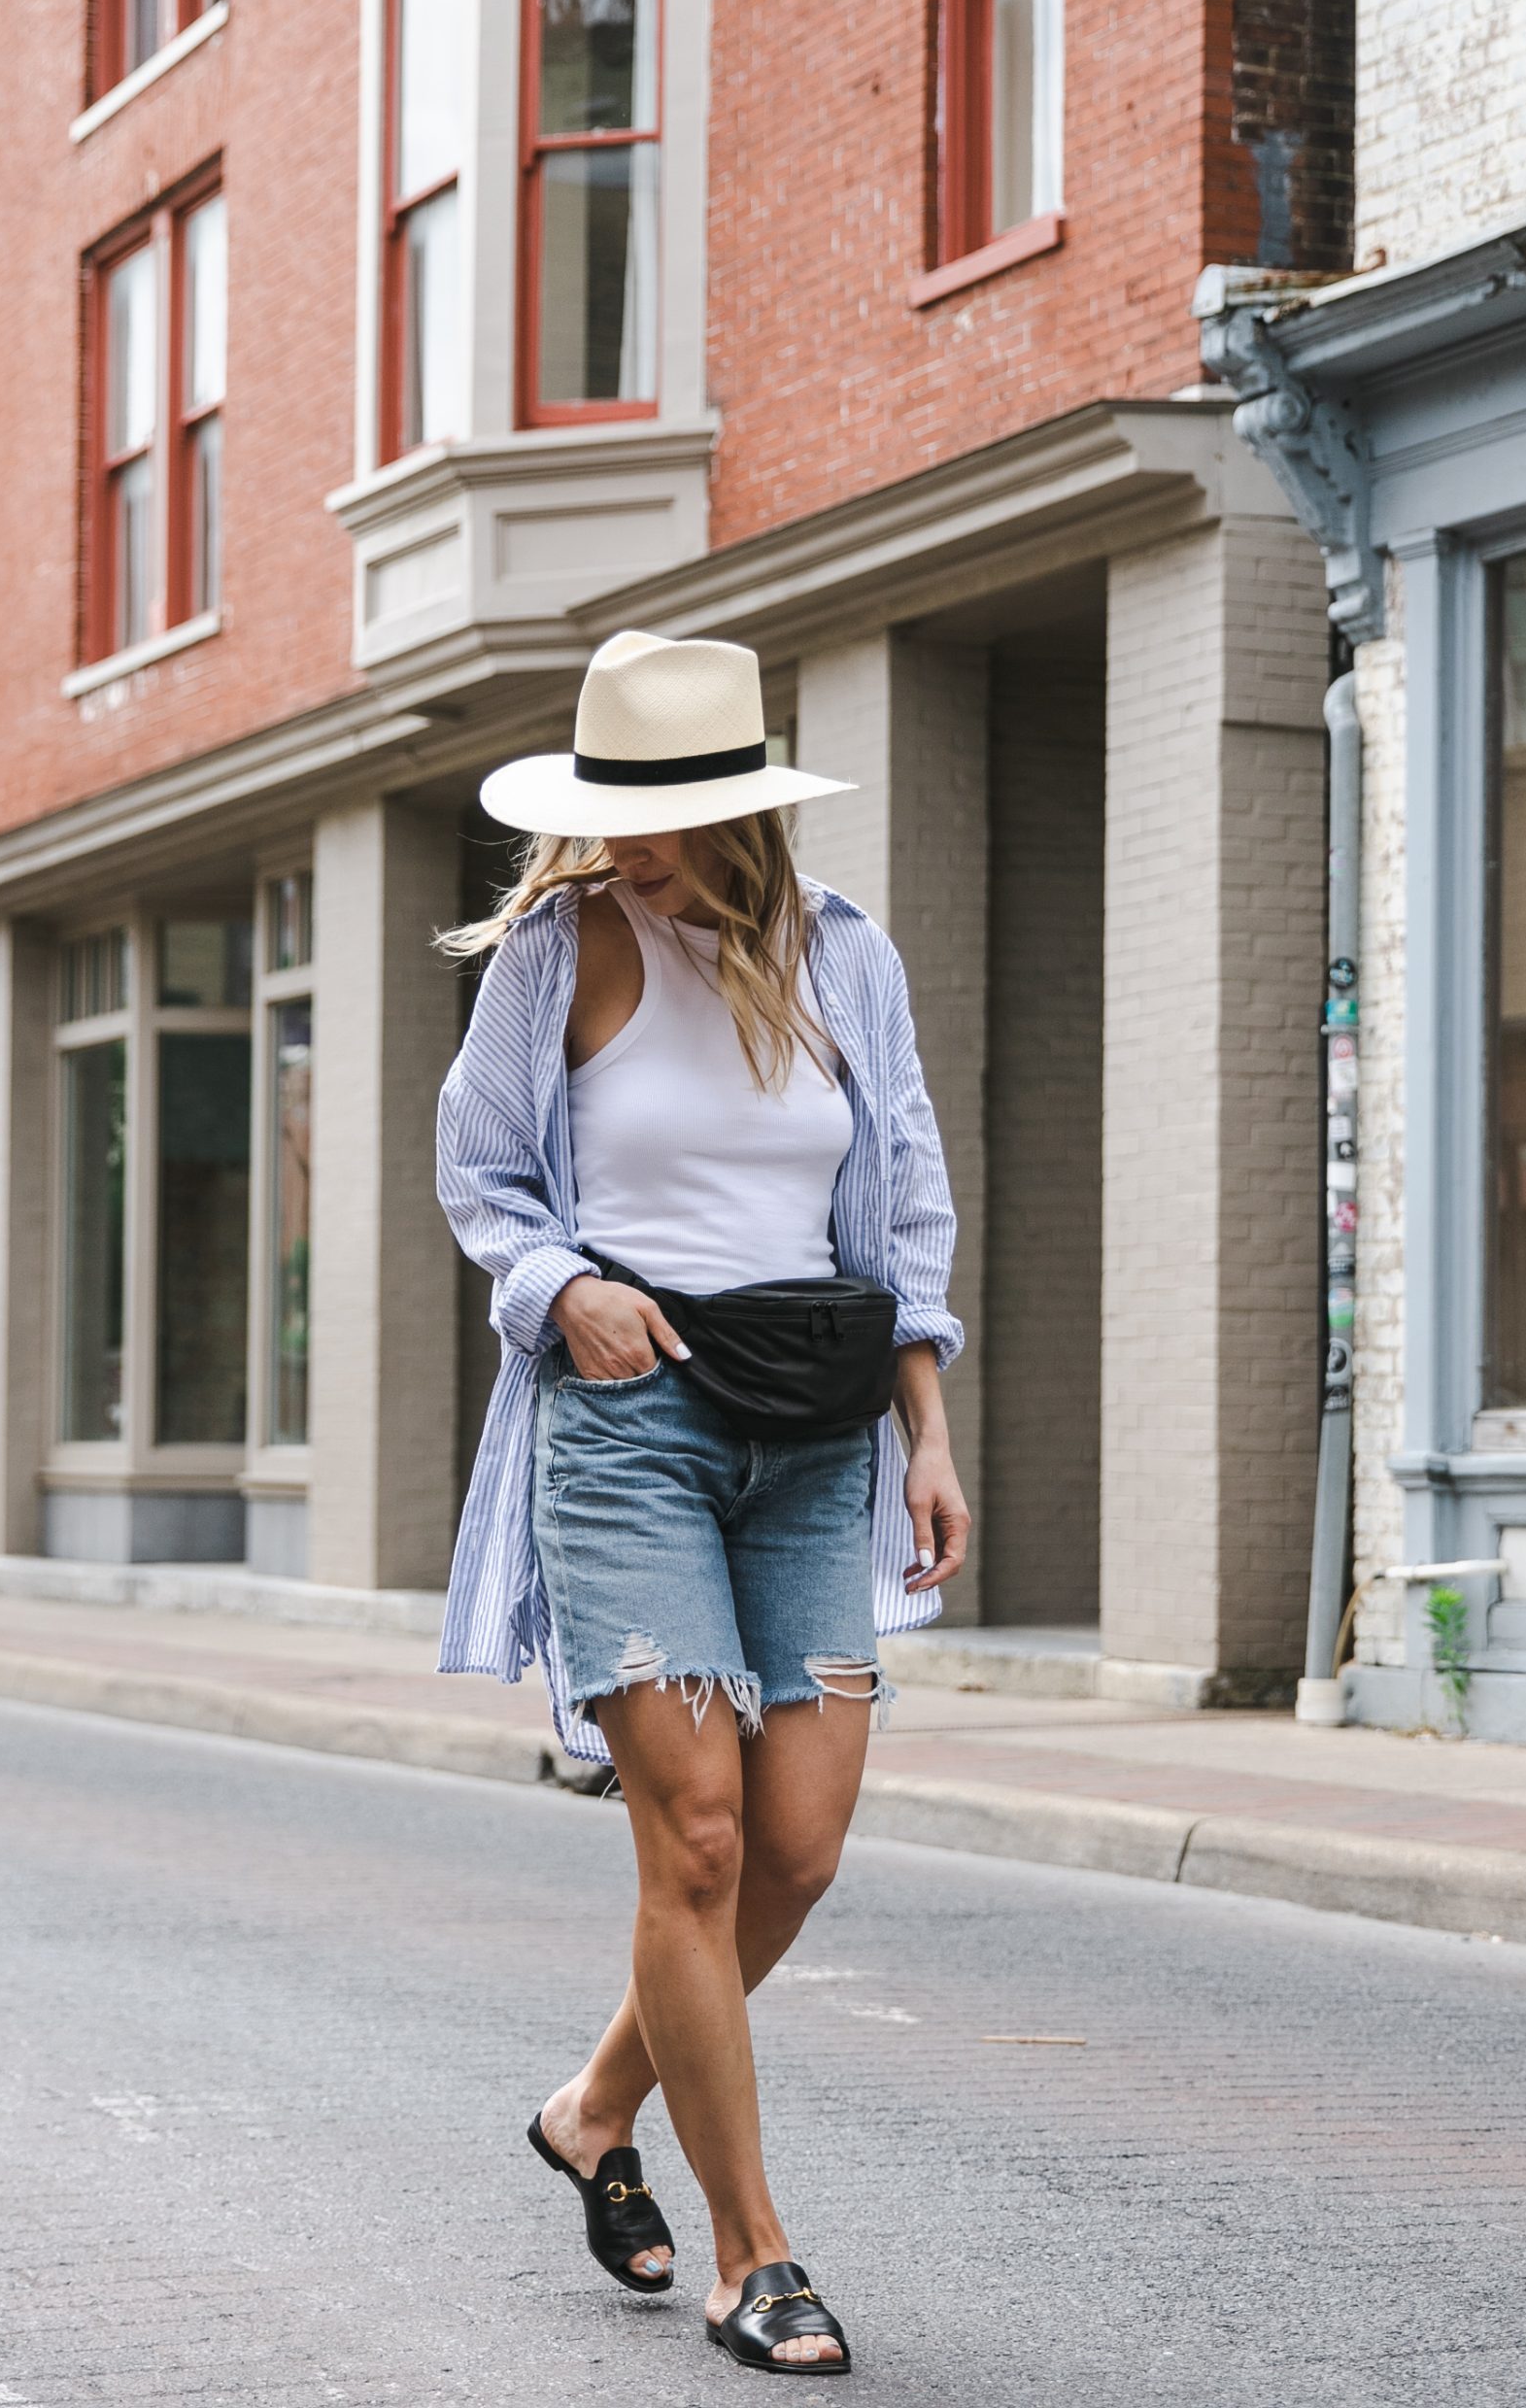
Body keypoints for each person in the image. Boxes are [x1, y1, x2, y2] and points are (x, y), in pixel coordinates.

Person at [434, 628, 968, 2377]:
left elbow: (900, 1210)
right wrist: (556, 1287)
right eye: (611, 811)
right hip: (631, 1433)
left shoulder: (847, 959)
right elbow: (484, 1177)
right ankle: (757, 2254)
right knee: (704, 1840)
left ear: (742, 806)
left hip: (819, 1442)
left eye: (662, 814)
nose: (629, 842)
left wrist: (930, 1431)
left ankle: (593, 2107)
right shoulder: (556, 948)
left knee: (800, 1850)